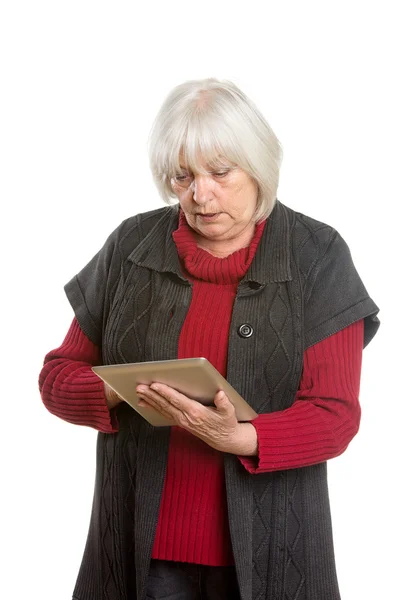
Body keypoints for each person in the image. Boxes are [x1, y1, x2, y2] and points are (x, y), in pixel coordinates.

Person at [39, 78, 380, 600]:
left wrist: (241, 438)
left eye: (220, 172)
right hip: (144, 560)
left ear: (258, 165)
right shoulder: (131, 245)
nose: (200, 195)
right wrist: (123, 387)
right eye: (182, 177)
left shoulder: (318, 255)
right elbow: (57, 378)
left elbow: (335, 415)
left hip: (275, 555)